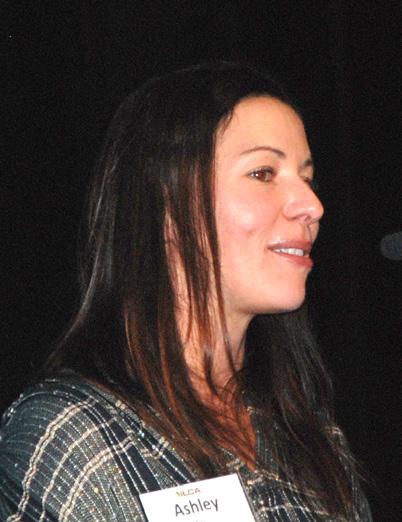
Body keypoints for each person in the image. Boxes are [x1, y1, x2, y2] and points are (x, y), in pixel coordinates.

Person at [0, 62, 371, 521]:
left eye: (308, 178)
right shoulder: (77, 440)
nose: (312, 205)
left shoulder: (310, 438)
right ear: (166, 202)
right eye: (263, 173)